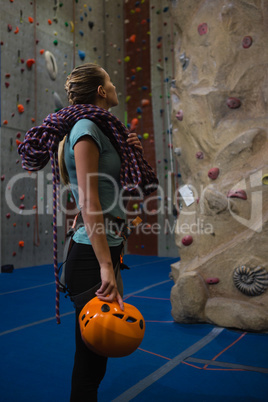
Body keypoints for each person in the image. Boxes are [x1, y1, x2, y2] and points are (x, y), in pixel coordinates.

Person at [58, 63, 144, 401]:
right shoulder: (85, 128)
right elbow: (90, 201)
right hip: (93, 257)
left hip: (108, 248)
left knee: (99, 352)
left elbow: (113, 191)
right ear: (101, 91)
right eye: (110, 79)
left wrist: (130, 152)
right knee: (92, 358)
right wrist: (105, 265)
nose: (114, 84)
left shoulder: (102, 130)